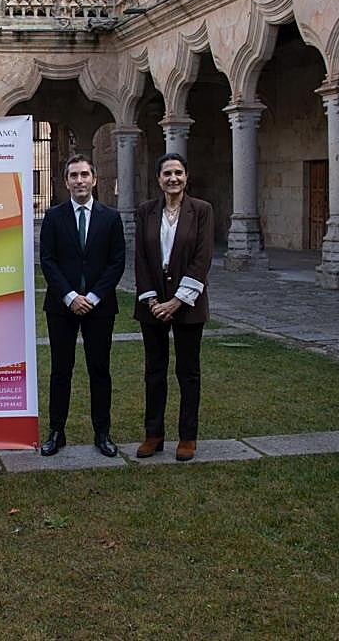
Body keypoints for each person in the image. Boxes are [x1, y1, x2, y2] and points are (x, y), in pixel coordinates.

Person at [39, 153, 126, 457]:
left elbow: (117, 263)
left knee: (99, 370)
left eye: (84, 175)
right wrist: (70, 296)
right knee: (61, 371)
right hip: (61, 307)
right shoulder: (53, 217)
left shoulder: (111, 217)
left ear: (95, 179)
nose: (79, 181)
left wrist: (92, 297)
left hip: (99, 308)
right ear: (66, 181)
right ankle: (56, 432)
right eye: (74, 176)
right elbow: (47, 261)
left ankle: (102, 434)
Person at [133, 152, 213, 462]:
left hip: (187, 305)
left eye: (178, 172)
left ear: (186, 176)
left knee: (188, 372)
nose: (173, 178)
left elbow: (202, 258)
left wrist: (177, 301)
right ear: (158, 179)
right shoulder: (146, 212)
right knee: (154, 371)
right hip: (153, 305)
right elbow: (140, 257)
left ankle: (187, 437)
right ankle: (153, 435)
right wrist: (153, 300)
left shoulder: (201, 211)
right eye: (167, 173)